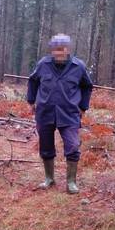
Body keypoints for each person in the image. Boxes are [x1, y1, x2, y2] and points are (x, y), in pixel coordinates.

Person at [26, 34, 94, 194]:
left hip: (69, 114)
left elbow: (87, 86)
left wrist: (83, 107)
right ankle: (49, 178)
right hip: (45, 112)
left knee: (72, 146)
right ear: (52, 50)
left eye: (62, 49)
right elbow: (33, 80)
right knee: (46, 146)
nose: (59, 53)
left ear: (67, 49)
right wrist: (31, 101)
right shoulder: (43, 64)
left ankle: (71, 182)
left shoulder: (78, 67)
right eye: (56, 49)